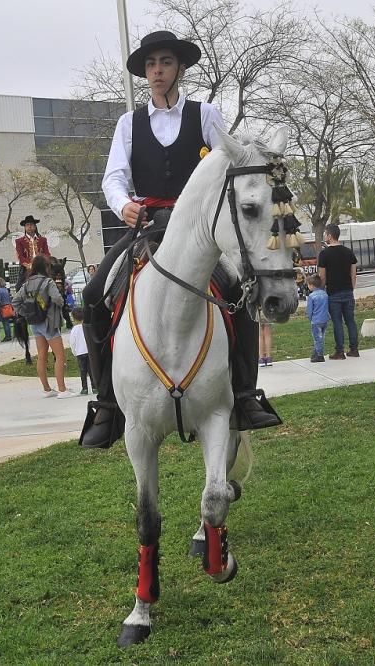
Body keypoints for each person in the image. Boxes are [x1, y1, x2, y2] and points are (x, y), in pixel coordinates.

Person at [80, 29, 278, 449]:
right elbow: (113, 177)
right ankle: (106, 405)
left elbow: (229, 164)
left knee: (237, 294)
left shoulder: (205, 114)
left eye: (165, 62)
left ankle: (244, 395)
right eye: (151, 64)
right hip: (147, 225)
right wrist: (123, 206)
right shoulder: (127, 123)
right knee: (94, 294)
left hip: (197, 231)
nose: (157, 71)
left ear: (179, 68)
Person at [14, 255, 76, 399]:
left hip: (35, 323)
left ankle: (47, 389)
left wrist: (26, 313)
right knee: (60, 356)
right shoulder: (48, 282)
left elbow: (16, 301)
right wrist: (62, 303)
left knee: (42, 355)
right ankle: (62, 389)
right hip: (50, 322)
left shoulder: (27, 283)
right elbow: (57, 299)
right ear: (46, 267)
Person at [318, 223, 359, 360]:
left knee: (337, 322)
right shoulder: (348, 252)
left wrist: (320, 290)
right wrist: (351, 288)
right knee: (350, 321)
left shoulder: (324, 254)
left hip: (333, 292)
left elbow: (322, 277)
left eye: (325, 234)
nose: (324, 236)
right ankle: (354, 349)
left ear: (329, 236)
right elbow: (353, 273)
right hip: (348, 291)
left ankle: (339, 351)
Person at [15, 215, 51, 288]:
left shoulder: (43, 240)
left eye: (31, 224)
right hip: (27, 268)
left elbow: (47, 253)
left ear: (35, 227)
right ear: (25, 227)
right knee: (19, 286)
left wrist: (44, 263)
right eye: (27, 225)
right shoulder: (19, 241)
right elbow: (20, 256)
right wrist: (30, 265)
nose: (29, 227)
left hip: (42, 267)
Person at [68, 308, 95, 395]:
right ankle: (94, 387)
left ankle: (84, 388)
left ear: (74, 318)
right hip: (89, 352)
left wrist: (74, 352)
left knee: (83, 372)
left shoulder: (74, 330)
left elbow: (72, 343)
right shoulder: (87, 327)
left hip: (80, 354)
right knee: (91, 371)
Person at [306, 274, 328, 363]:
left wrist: (310, 318)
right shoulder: (325, 294)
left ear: (312, 285)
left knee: (317, 338)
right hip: (324, 319)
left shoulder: (312, 296)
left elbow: (310, 310)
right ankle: (315, 352)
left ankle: (319, 355)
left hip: (316, 320)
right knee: (321, 337)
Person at [0, 277, 13, 342]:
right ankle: (9, 335)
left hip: (3, 307)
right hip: (8, 306)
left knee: (5, 322)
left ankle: (8, 336)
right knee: (7, 322)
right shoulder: (5, 289)